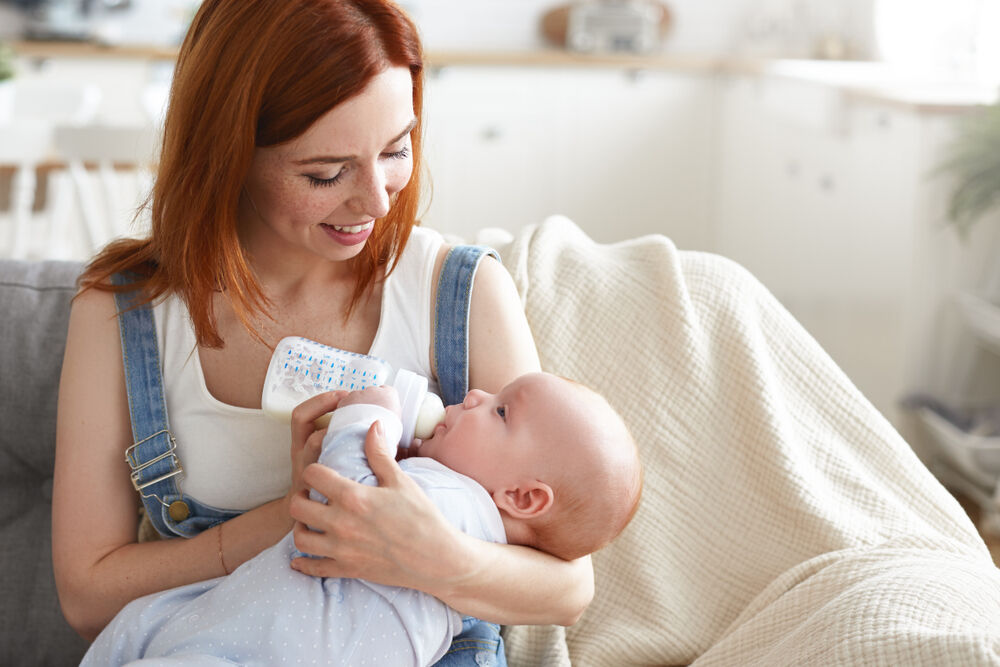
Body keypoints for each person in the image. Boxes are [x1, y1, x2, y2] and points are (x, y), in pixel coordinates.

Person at [52, 2, 594, 665]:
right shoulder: (123, 312)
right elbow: (86, 597)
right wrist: (301, 514)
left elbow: (568, 586)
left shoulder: (460, 292)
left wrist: (435, 553)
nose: (376, 199)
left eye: (396, 149)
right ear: (229, 151)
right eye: (325, 173)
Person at [81, 373, 643, 665]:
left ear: (521, 498)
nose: (474, 392)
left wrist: (365, 415)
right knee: (142, 624)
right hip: (251, 636)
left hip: (266, 654)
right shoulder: (447, 495)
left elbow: (343, 500)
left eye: (500, 411)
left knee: (141, 629)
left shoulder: (457, 503)